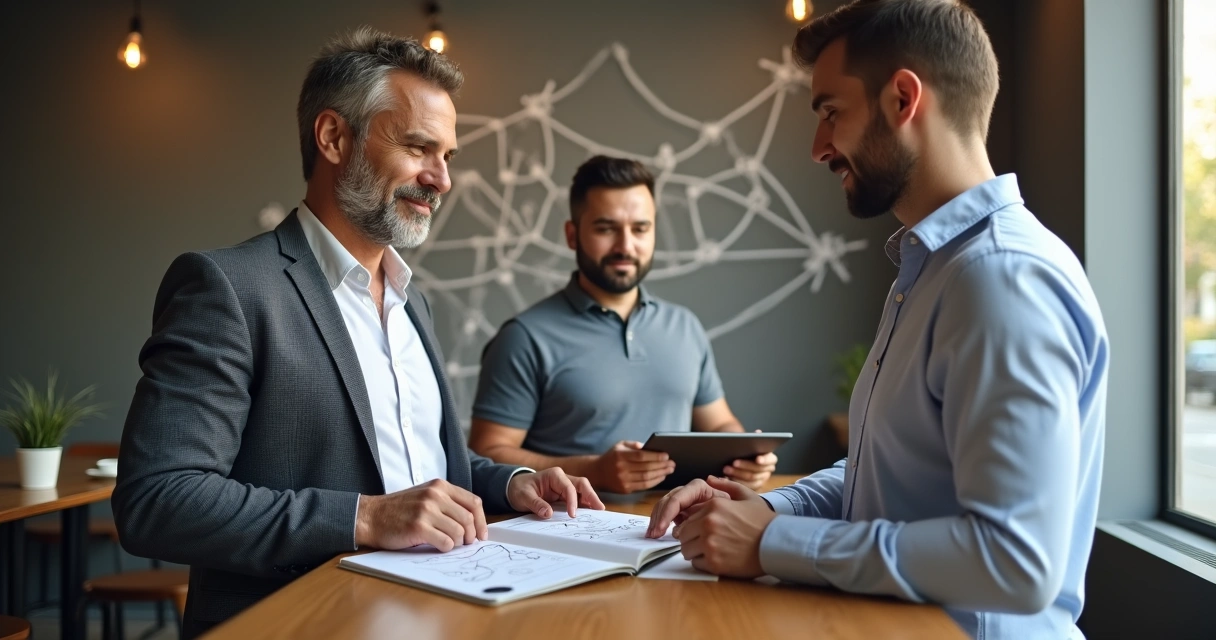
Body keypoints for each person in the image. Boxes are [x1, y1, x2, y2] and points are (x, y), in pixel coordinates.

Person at [111, 28, 603, 638]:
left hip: (441, 616)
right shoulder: (228, 288)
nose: (442, 179)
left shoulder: (410, 299)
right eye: (420, 147)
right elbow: (157, 501)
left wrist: (515, 482)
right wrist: (364, 519)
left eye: (447, 156)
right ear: (334, 137)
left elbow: (425, 469)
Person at [645, 2, 1108, 638]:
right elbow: (882, 476)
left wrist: (777, 543)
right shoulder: (934, 269)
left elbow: (1016, 562)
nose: (817, 148)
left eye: (831, 113)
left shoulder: (1000, 279)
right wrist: (762, 510)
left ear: (902, 98)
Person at [467, 156, 777, 493]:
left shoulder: (684, 326)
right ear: (572, 235)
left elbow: (718, 423)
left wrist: (746, 457)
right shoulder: (524, 338)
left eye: (640, 229)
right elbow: (487, 455)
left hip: (679, 529)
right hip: (569, 533)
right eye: (606, 228)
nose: (626, 246)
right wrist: (593, 471)